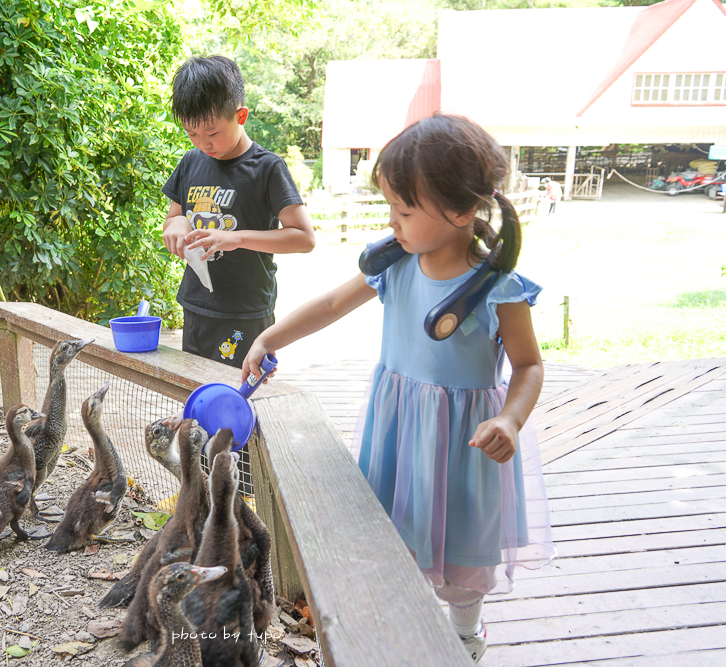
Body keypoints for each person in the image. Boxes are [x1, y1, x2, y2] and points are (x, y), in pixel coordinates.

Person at [241, 115, 555, 664]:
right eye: (390, 209)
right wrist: (272, 335)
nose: (394, 223)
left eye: (404, 211)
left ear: (460, 212)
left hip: (466, 441)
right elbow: (334, 303)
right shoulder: (395, 265)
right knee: (394, 533)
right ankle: (399, 627)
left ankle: (464, 636)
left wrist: (510, 419)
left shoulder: (498, 289)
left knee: (461, 551)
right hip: (399, 426)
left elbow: (528, 366)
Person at [161, 55, 316, 368]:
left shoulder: (267, 168)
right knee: (196, 392)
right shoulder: (191, 161)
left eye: (212, 133)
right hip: (197, 305)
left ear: (240, 115)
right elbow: (174, 215)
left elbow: (304, 238)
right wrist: (175, 227)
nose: (203, 143)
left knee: (239, 398)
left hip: (246, 312)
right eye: (192, 134)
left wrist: (236, 238)